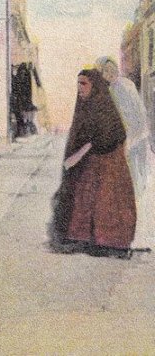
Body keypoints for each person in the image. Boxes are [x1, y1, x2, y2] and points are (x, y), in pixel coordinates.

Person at [51, 69, 136, 258]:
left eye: (84, 84)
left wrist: (78, 156)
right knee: (85, 196)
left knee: (106, 200)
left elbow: (104, 136)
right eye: (78, 84)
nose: (79, 88)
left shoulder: (103, 106)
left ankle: (111, 243)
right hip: (93, 163)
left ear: (94, 86)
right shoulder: (84, 107)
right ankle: (83, 238)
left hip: (108, 162)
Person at [96, 56, 152, 248]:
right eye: (106, 71)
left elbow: (138, 115)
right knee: (126, 187)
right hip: (124, 143)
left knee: (138, 184)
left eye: (112, 69)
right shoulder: (109, 91)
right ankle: (128, 233)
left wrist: (133, 139)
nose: (110, 73)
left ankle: (140, 235)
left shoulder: (127, 86)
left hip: (136, 141)